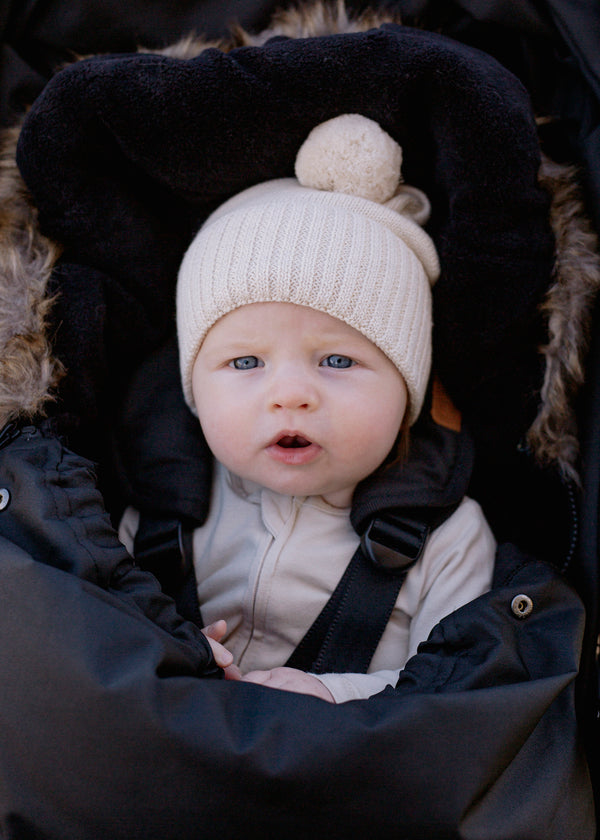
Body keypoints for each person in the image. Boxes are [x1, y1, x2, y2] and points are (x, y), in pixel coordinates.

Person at [119, 113, 496, 703]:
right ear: (193, 391)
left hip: (355, 774)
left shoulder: (449, 536)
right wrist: (164, 648)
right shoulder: (156, 510)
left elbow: (466, 690)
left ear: (407, 393)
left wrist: (333, 694)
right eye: (246, 363)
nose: (290, 394)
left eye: (338, 362)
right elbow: (89, 649)